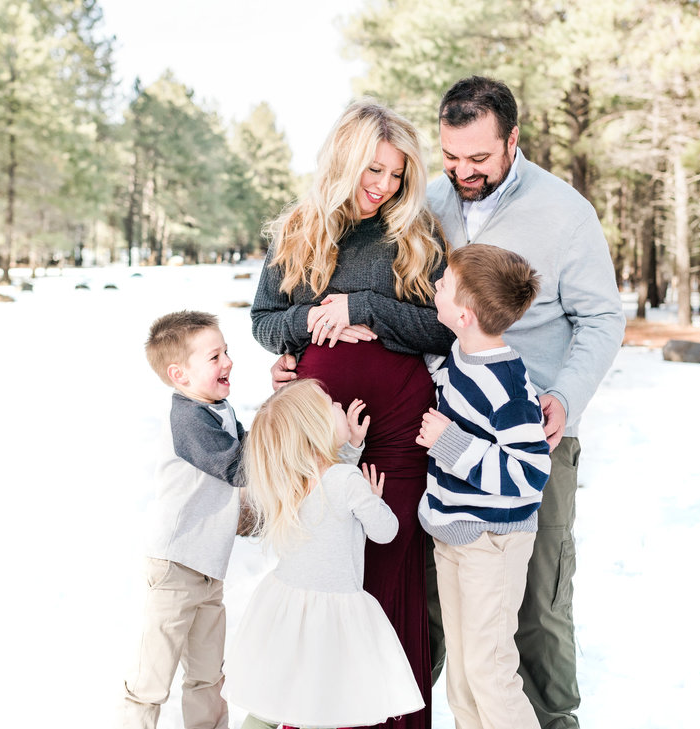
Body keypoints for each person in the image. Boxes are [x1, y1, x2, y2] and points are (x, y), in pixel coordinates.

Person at [426, 76, 625, 729]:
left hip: (534, 436)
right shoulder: (431, 203)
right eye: (451, 157)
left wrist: (565, 397)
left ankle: (554, 719)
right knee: (448, 607)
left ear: (514, 140)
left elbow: (600, 319)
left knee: (538, 598)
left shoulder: (565, 212)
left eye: (479, 158)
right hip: (449, 441)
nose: (463, 172)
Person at [254, 99, 453, 729]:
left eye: (396, 175)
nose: (383, 187)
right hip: (315, 440)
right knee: (324, 578)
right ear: (342, 159)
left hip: (400, 434)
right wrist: (308, 323)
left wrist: (364, 306)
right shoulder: (297, 231)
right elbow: (263, 322)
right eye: (373, 171)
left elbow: (442, 328)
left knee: (390, 573)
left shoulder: (414, 236)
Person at [226, 379, 426, 729]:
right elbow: (385, 531)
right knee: (324, 705)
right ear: (317, 429)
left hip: (286, 608)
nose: (340, 405)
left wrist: (350, 448)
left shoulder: (289, 479)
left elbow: (325, 481)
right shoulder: (348, 481)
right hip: (331, 617)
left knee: (272, 702)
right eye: (331, 404)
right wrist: (373, 500)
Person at [416, 244, 550, 729]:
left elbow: (529, 475)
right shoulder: (463, 356)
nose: (436, 288)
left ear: (465, 315)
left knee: (489, 671)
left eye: (444, 285)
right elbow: (451, 382)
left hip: (493, 543)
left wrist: (450, 443)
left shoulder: (507, 386)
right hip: (455, 536)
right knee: (463, 675)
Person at [119, 311, 245, 729]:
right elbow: (240, 467)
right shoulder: (189, 419)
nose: (228, 361)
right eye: (214, 357)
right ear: (180, 375)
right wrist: (286, 419)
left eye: (226, 351)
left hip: (208, 567)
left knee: (209, 675)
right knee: (151, 678)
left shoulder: (218, 408)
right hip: (175, 565)